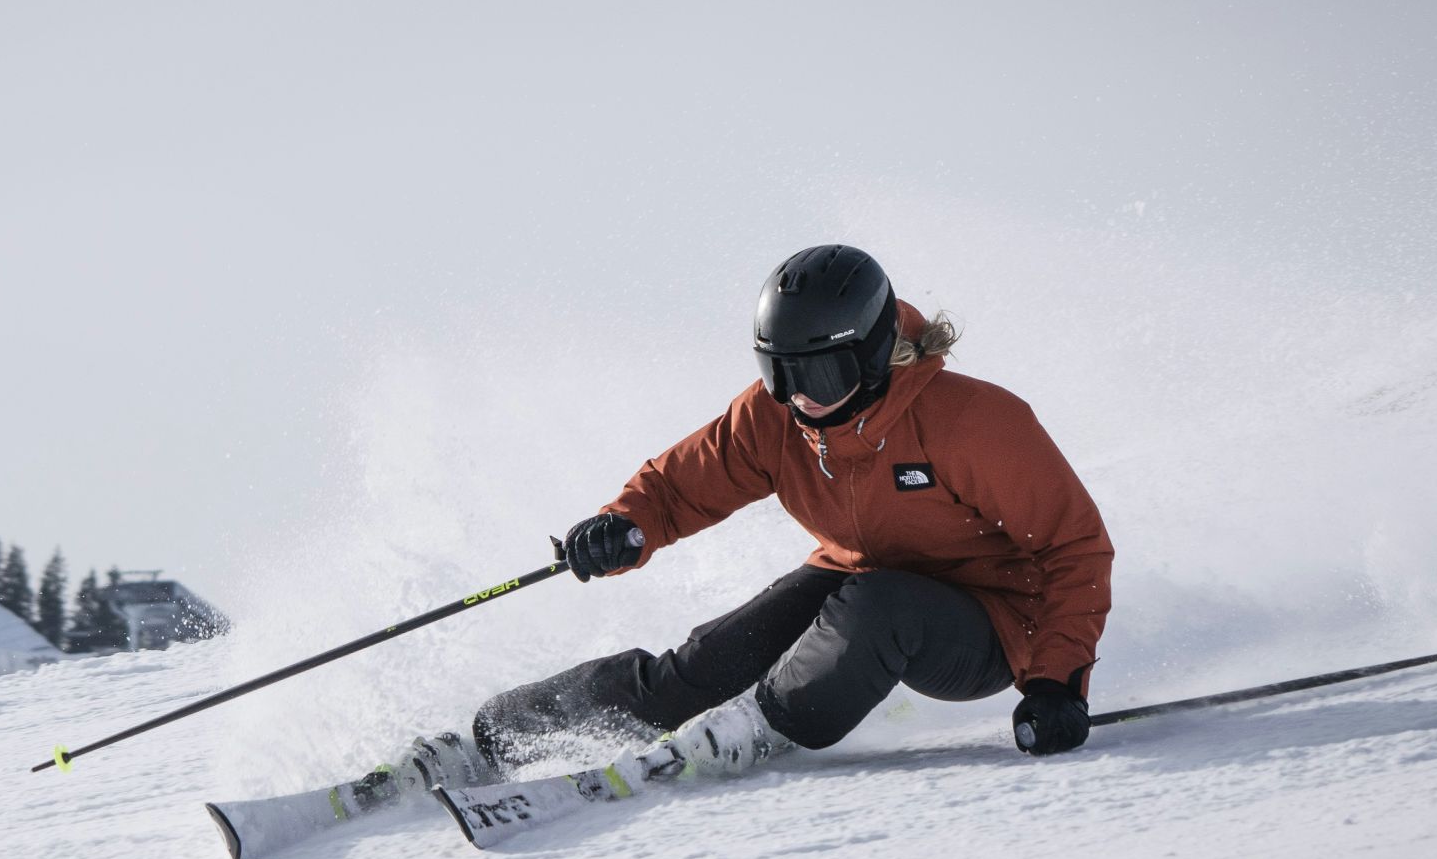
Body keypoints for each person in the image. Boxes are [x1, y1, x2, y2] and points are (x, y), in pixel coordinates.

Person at [393, 244, 1113, 791]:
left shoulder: (975, 423)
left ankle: (756, 728)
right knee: (699, 667)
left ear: (867, 358)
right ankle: (494, 738)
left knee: (880, 604)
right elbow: (680, 486)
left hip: (989, 623)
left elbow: (1075, 549)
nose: (799, 398)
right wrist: (626, 526)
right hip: (855, 580)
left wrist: (1056, 684)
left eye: (818, 376)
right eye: (781, 374)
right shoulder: (776, 420)